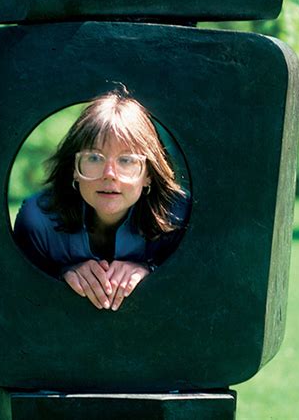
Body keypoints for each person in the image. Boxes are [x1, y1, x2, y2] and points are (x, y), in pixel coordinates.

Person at [13, 87, 190, 311]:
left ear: (148, 175)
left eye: (126, 160)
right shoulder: (38, 223)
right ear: (74, 169)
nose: (109, 173)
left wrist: (150, 269)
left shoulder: (179, 218)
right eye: (94, 158)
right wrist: (62, 272)